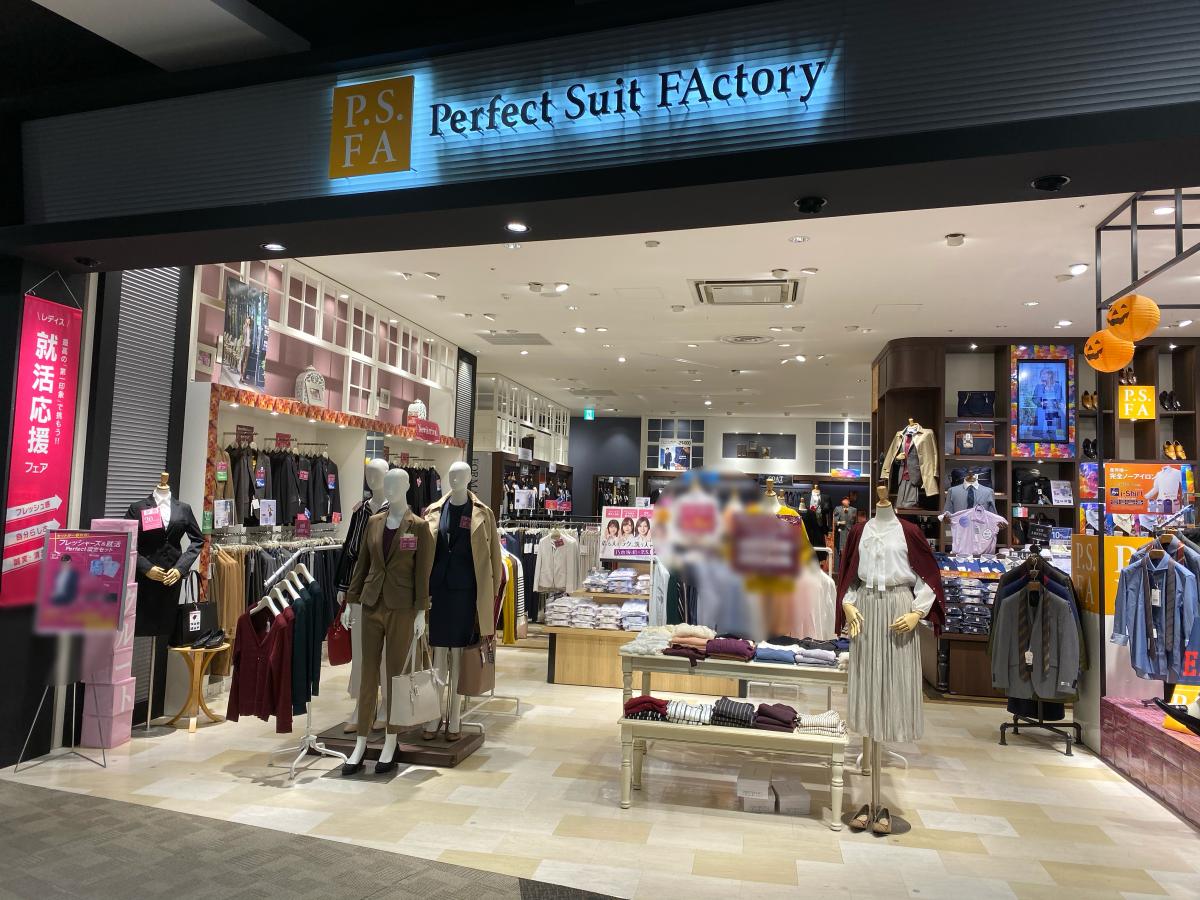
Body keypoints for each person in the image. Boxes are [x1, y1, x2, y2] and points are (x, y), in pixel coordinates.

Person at [1032, 365, 1063, 439]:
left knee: (1052, 434)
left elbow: (1060, 399)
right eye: (1041, 374)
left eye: (1043, 374)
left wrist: (1055, 403)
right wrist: (1040, 403)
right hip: (1041, 411)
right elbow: (1034, 398)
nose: (1041, 376)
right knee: (1039, 435)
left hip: (1052, 411)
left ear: (1050, 375)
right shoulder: (1038, 386)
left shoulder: (1058, 387)